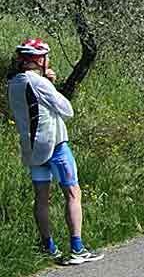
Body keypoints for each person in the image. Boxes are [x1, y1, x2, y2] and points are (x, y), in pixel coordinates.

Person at [6, 38, 103, 265]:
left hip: (31, 149)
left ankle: (48, 246)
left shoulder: (13, 83)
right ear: (40, 59)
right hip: (55, 146)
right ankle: (77, 248)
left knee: (41, 198)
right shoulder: (39, 83)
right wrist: (50, 84)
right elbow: (67, 110)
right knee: (72, 193)